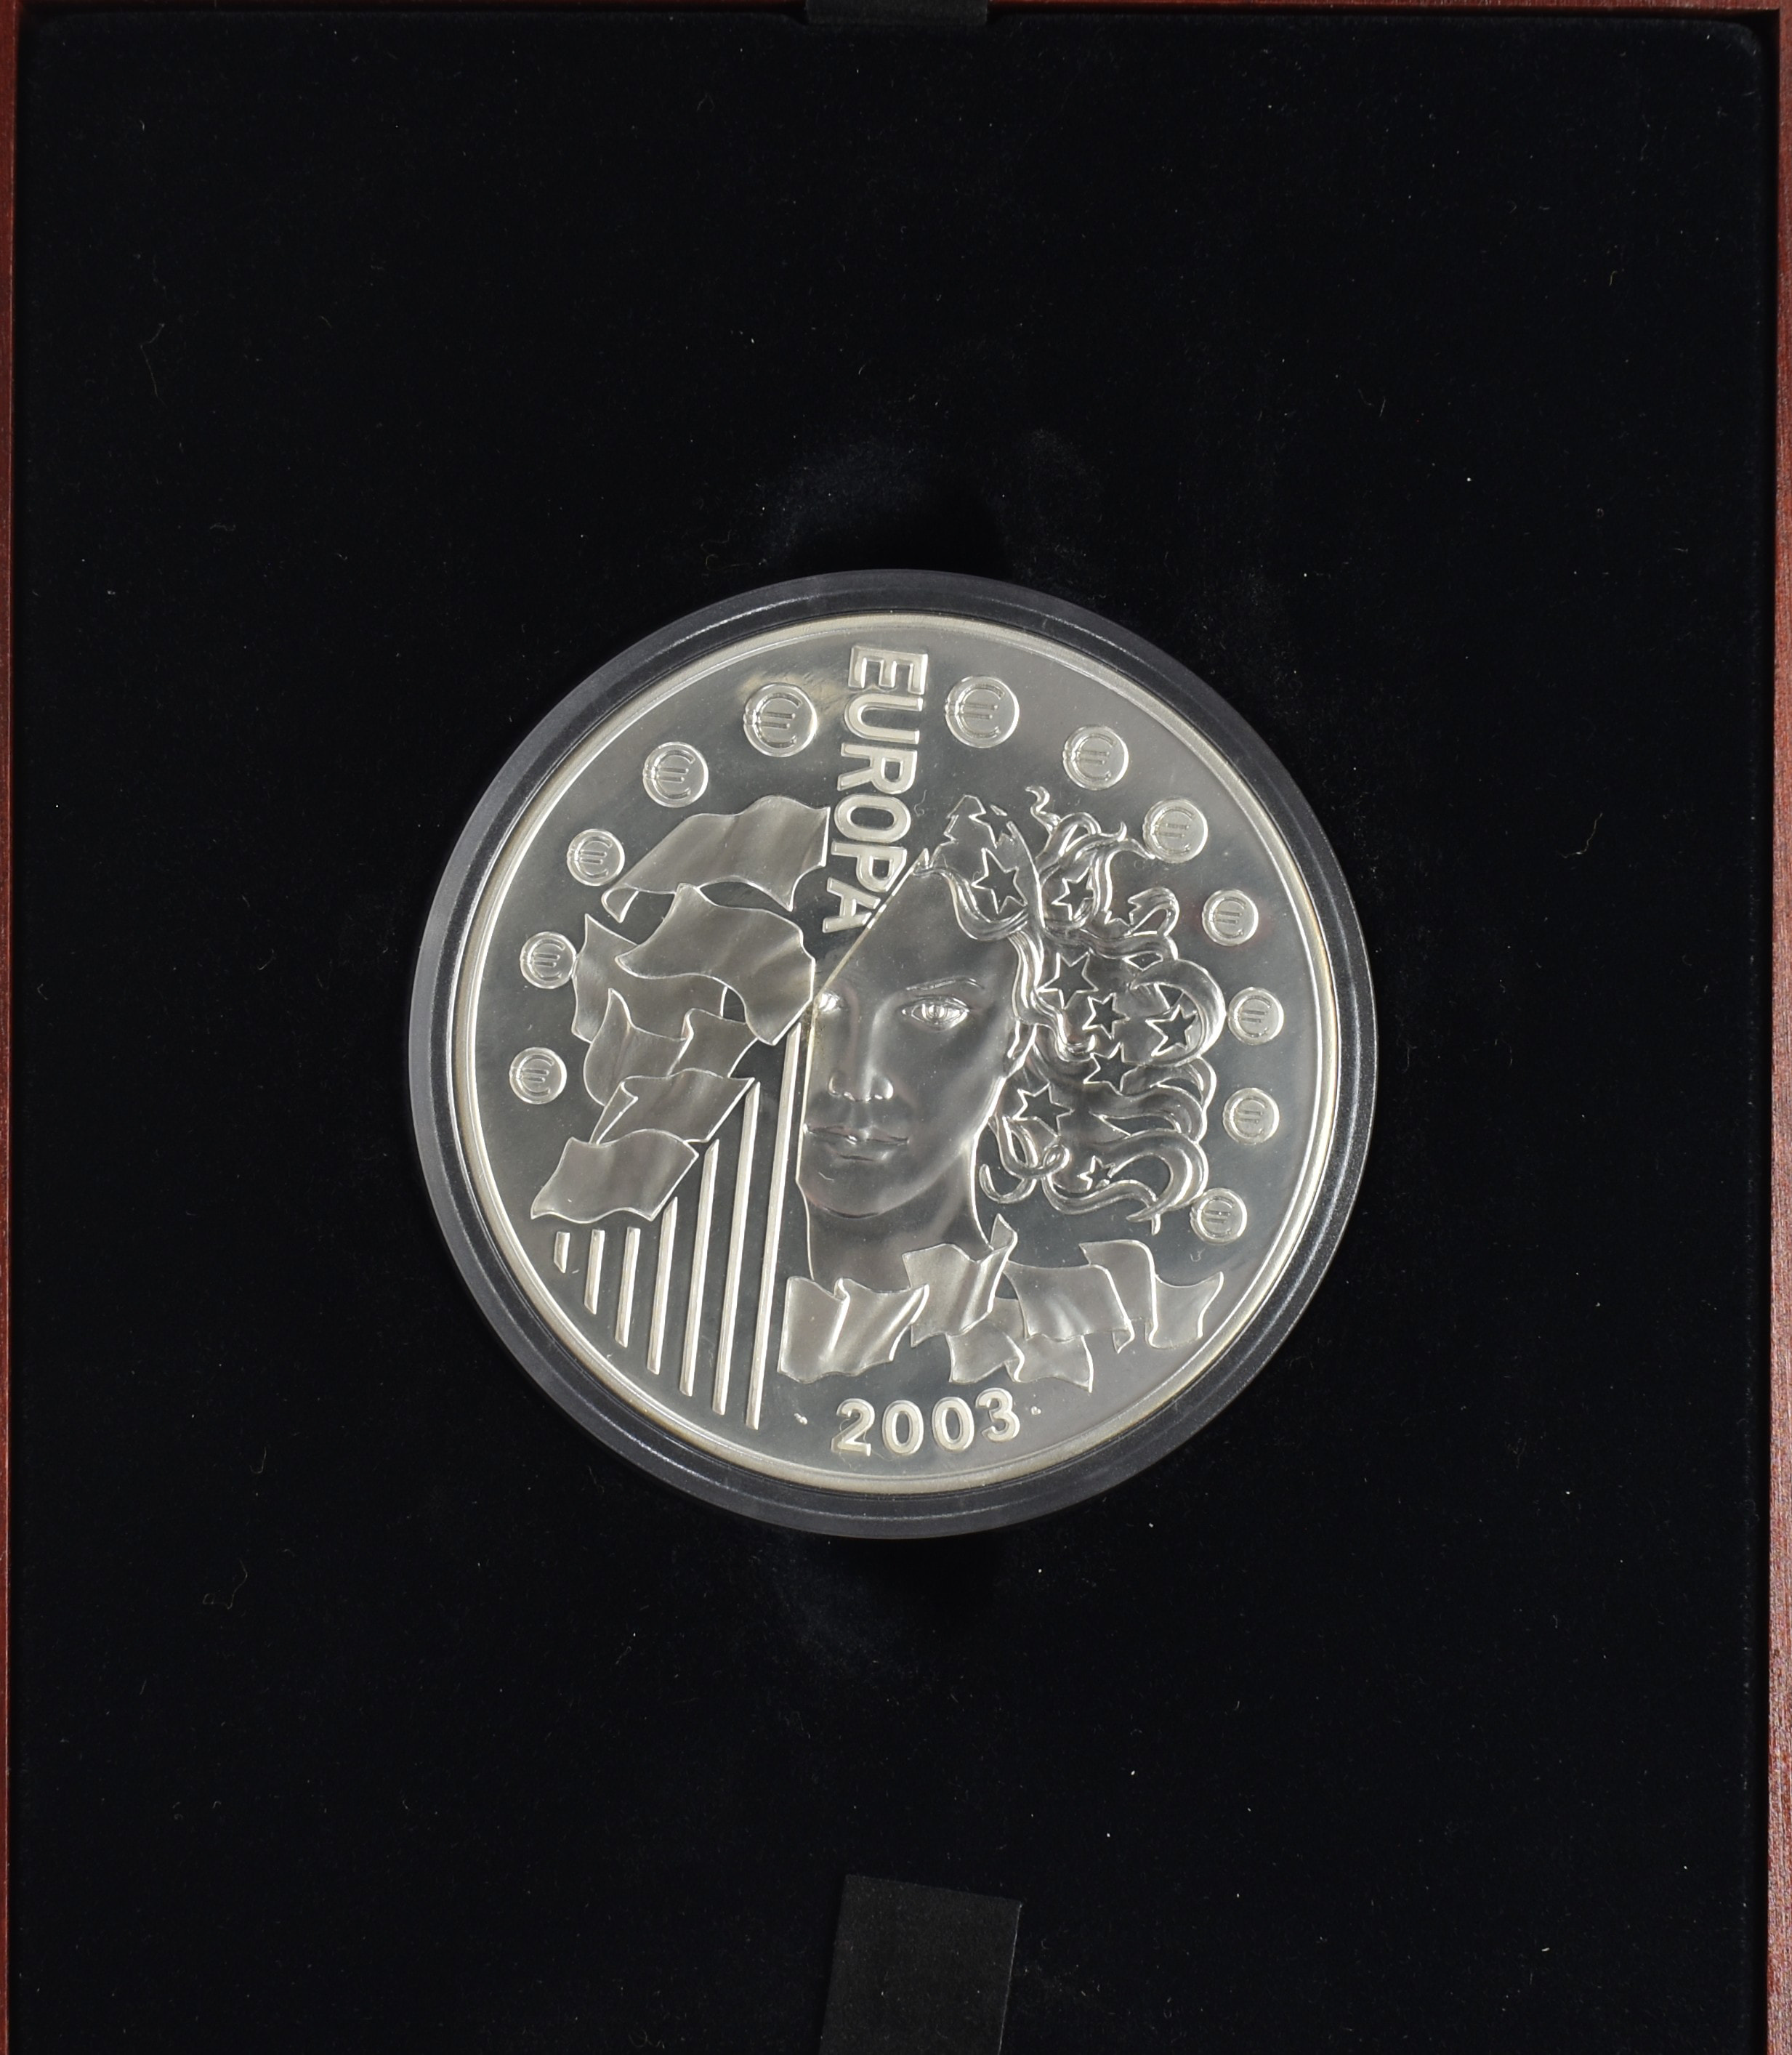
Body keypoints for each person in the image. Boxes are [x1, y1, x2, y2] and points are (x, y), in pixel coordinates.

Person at [795, 787, 1226, 1297]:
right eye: (823, 1006)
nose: (855, 1081)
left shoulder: (1074, 1327)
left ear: (1017, 1038)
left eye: (935, 1012)